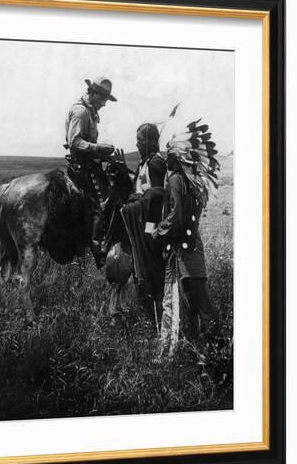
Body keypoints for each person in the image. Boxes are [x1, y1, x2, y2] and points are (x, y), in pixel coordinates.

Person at [152, 119, 219, 356]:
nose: (166, 158)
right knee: (193, 301)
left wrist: (158, 231)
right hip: (191, 247)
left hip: (185, 250)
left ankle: (217, 350)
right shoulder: (190, 182)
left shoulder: (176, 180)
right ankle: (201, 351)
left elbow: (176, 216)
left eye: (170, 154)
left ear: (178, 157)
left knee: (199, 301)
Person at [64, 77, 117, 268]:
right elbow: (74, 142)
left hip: (88, 163)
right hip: (82, 167)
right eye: (102, 97)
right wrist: (98, 148)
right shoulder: (81, 111)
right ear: (92, 93)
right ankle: (98, 251)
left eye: (106, 98)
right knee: (101, 204)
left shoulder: (89, 111)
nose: (104, 103)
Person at [120, 123, 167, 325]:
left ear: (150, 141)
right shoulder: (145, 162)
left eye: (140, 140)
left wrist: (137, 201)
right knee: (143, 270)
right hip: (143, 223)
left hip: (150, 226)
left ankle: (156, 316)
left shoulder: (155, 163)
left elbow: (156, 196)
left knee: (152, 270)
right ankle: (148, 315)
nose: (137, 144)